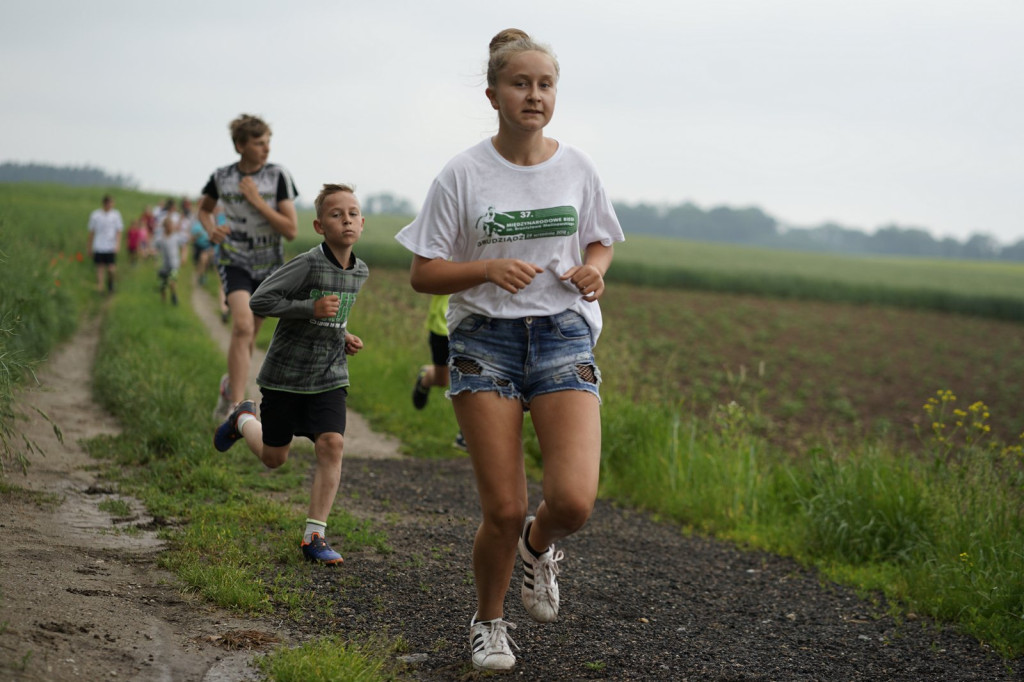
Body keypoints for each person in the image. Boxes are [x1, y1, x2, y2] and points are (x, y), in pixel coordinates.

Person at [394, 28, 625, 672]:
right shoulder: (462, 174)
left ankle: (538, 547)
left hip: (562, 334)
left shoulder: (577, 168)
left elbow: (601, 241)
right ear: (493, 94)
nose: (534, 95)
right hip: (484, 343)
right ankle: (489, 622)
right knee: (502, 507)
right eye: (520, 84)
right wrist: (486, 268)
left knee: (573, 503)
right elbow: (423, 273)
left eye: (545, 84)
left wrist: (595, 270)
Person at [213, 183, 367, 566]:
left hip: (329, 375)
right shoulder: (308, 263)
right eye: (336, 214)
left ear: (362, 223)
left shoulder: (360, 271)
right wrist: (308, 309)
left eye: (352, 213)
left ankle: (314, 537)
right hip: (285, 377)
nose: (346, 219)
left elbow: (335, 314)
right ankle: (243, 418)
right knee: (273, 458)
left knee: (331, 444)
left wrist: (343, 334)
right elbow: (260, 299)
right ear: (319, 226)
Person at [197, 114, 299, 420]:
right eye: (258, 143)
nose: (266, 148)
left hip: (269, 265)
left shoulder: (278, 176)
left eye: (268, 142)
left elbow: (291, 229)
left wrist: (257, 201)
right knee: (241, 327)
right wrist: (211, 229)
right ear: (240, 145)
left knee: (249, 338)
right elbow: (203, 210)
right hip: (234, 259)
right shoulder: (221, 176)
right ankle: (237, 409)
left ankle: (229, 385)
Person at [411, 294, 466, 449]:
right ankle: (426, 377)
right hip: (442, 327)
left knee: (467, 376)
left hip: (470, 327)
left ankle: (466, 431)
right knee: (443, 381)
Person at [87, 194, 124, 294]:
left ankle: (111, 283)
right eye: (108, 203)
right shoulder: (95, 215)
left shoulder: (116, 215)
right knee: (100, 267)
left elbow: (119, 231)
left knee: (111, 268)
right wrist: (89, 247)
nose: (110, 205)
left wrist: (117, 244)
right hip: (99, 245)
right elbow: (91, 232)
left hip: (110, 245)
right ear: (104, 204)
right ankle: (100, 287)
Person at [154, 208, 189, 305]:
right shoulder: (160, 238)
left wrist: (184, 256)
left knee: (172, 281)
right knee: (163, 285)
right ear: (165, 227)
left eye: (172, 226)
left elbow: (184, 246)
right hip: (164, 265)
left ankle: (174, 296)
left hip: (175, 264)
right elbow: (155, 249)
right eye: (169, 226)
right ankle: (163, 302)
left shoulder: (176, 236)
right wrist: (154, 258)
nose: (171, 228)